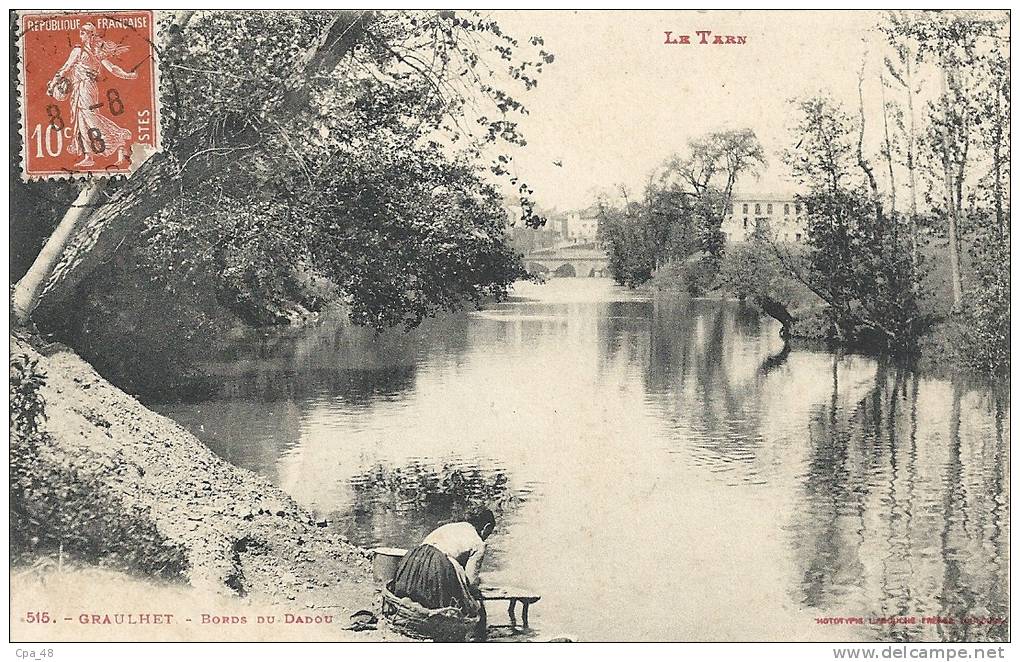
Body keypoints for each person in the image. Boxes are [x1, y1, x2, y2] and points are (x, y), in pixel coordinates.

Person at [391, 508, 495, 637]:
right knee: (467, 604)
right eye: (489, 533)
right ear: (486, 527)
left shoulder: (452, 527)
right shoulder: (478, 543)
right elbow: (471, 583)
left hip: (412, 561)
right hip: (435, 566)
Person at [49, 23, 137, 167]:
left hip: (86, 87)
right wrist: (128, 76)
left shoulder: (86, 51)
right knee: (83, 120)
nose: (81, 34)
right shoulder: (86, 51)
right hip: (82, 88)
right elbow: (66, 68)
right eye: (81, 32)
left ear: (90, 35)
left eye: (84, 32)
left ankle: (118, 139)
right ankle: (89, 155)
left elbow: (112, 68)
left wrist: (127, 75)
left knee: (90, 119)